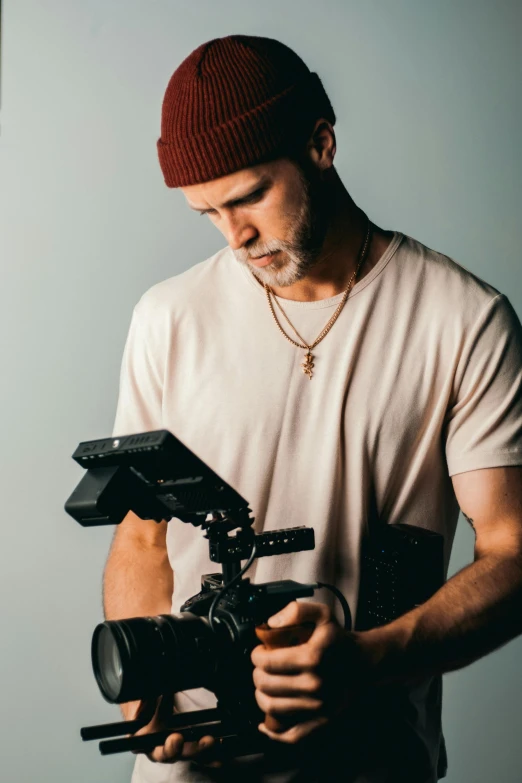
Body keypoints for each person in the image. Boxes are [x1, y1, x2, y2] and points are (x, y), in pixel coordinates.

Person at [104, 34, 522, 783]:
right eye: (207, 212)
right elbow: (142, 541)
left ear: (321, 143)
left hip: (374, 759)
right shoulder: (166, 317)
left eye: (249, 197)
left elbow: (514, 553)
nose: (236, 237)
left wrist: (367, 660)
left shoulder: (464, 319)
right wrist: (148, 690)